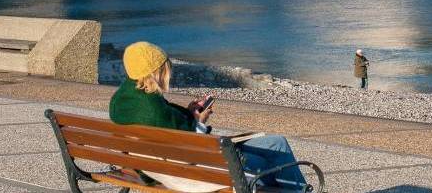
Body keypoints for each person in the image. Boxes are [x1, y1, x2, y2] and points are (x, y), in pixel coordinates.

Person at [109, 42, 308, 191]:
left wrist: (189, 114)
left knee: (276, 143)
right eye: (165, 68)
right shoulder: (151, 107)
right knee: (270, 160)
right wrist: (200, 122)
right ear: (156, 72)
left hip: (161, 163)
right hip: (194, 168)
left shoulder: (123, 99)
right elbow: (190, 144)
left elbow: (170, 126)